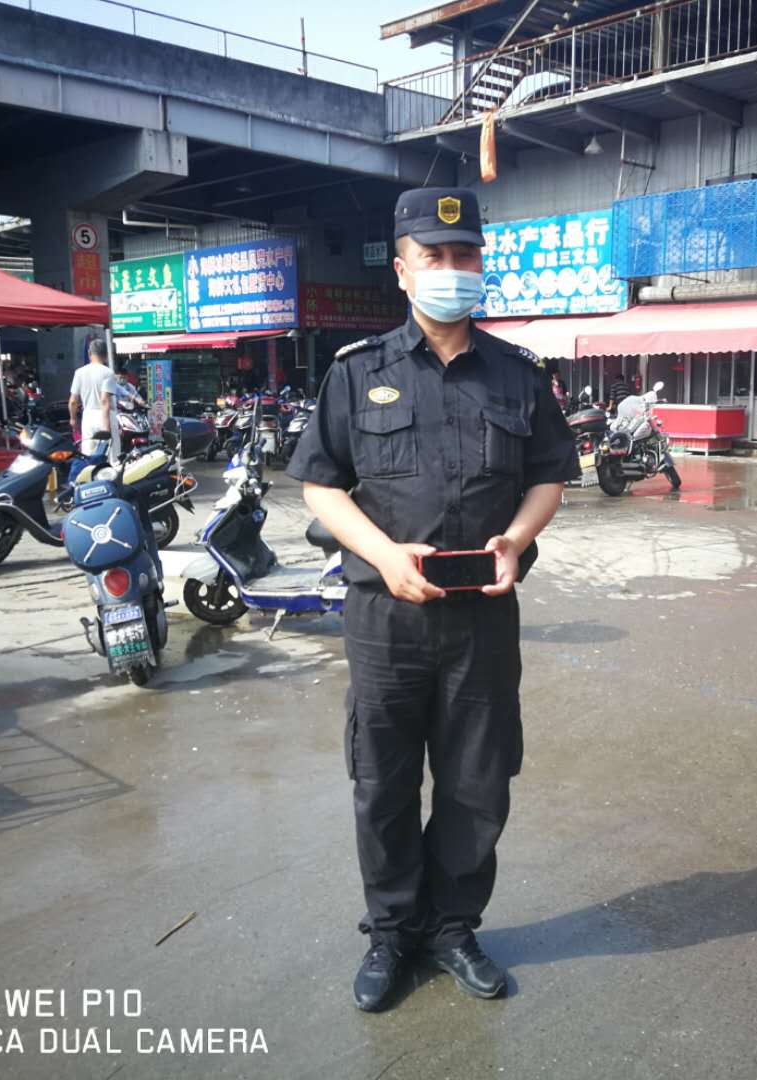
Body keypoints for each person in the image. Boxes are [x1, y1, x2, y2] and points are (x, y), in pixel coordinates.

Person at [287, 187, 578, 1014]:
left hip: (483, 618)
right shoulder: (357, 372)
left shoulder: (519, 375)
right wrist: (384, 554)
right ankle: (391, 932)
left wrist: (515, 540)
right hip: (386, 620)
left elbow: (550, 476)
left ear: (480, 263)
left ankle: (452, 928)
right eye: (434, 256)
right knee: (382, 783)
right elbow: (319, 484)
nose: (452, 269)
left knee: (477, 784)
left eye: (464, 255)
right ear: (403, 271)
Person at [69, 338, 119, 467]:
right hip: (105, 416)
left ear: (89, 353)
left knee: (89, 457)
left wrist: (73, 419)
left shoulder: (79, 373)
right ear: (106, 355)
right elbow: (104, 400)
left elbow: (73, 401)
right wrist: (106, 428)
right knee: (111, 459)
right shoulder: (108, 373)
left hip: (88, 417)